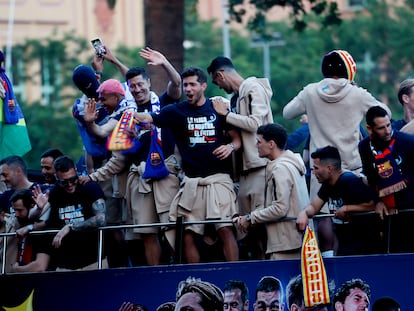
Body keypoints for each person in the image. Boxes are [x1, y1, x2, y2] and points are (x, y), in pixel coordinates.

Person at [283, 50, 391, 256]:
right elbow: (385, 112)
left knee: (323, 215)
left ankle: (328, 259)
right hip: (351, 164)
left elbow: (288, 112)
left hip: (321, 166)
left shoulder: (310, 91)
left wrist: (311, 110)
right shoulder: (356, 93)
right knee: (359, 213)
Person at [134, 67, 240, 263]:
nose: (188, 89)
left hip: (218, 179)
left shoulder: (217, 107)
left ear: (203, 86)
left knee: (225, 228)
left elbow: (236, 138)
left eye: (192, 84)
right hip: (192, 182)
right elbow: (150, 118)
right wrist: (132, 118)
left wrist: (230, 147)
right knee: (187, 234)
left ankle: (234, 276)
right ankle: (194, 281)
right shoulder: (176, 111)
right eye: (185, 85)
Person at [207, 56, 273, 260]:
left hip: (260, 167)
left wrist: (226, 115)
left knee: (261, 228)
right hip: (244, 172)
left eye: (216, 82)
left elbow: (256, 124)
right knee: (247, 229)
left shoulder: (254, 88)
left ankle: (267, 273)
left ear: (220, 75)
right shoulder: (236, 97)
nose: (219, 88)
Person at [235, 123, 309, 260]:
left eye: (259, 142)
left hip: (285, 244)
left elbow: (280, 208)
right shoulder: (291, 164)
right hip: (296, 241)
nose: (256, 146)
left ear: (271, 144)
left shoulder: (280, 169)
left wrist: (250, 218)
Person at [296, 146, 380, 256]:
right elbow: (314, 207)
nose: (313, 173)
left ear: (329, 169)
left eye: (316, 168)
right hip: (345, 243)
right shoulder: (328, 184)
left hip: (364, 245)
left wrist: (347, 208)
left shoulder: (349, 181)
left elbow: (373, 204)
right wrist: (303, 213)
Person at [358, 105, 414, 253]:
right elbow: (370, 177)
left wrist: (397, 200)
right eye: (381, 128)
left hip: (410, 206)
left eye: (388, 125)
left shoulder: (407, 141)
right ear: (370, 129)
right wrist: (378, 202)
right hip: (388, 214)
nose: (388, 131)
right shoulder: (364, 147)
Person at [44, 155, 107, 270]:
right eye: (64, 182)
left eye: (72, 179)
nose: (69, 185)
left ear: (76, 171)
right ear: (56, 178)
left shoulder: (89, 187)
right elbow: (50, 222)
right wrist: (29, 226)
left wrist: (71, 227)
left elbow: (101, 219)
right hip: (65, 264)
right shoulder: (55, 192)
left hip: (92, 261)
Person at [10, 189, 52, 273]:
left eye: (19, 210)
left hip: (37, 281)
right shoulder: (16, 226)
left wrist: (16, 270)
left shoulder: (40, 231)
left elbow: (40, 266)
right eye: (14, 210)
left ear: (32, 206)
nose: (16, 214)